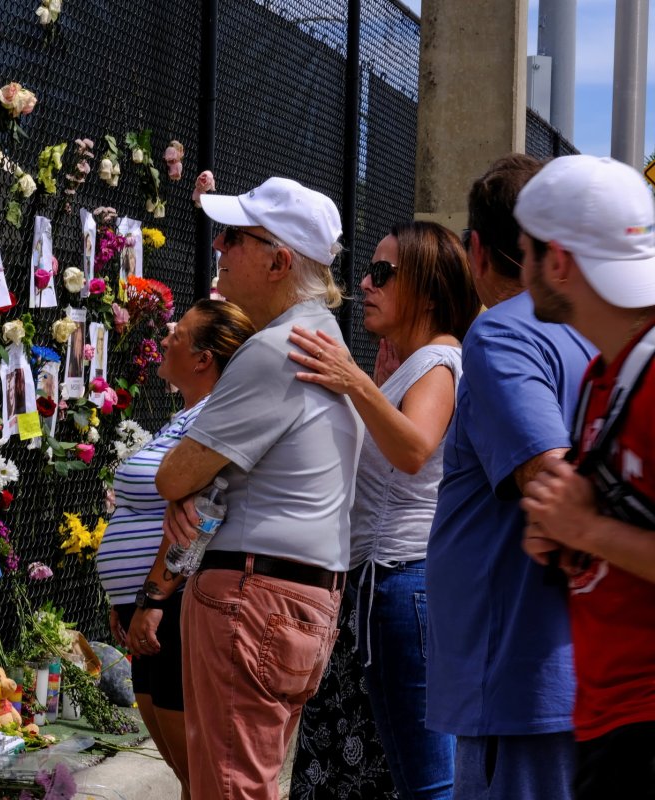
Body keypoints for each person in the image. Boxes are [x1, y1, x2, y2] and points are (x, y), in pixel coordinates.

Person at [134, 176, 364, 800]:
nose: (220, 248)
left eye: (235, 237)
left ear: (279, 260)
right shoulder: (319, 340)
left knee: (229, 789)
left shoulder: (275, 349)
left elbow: (174, 474)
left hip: (252, 597)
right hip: (296, 597)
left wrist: (187, 497)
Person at [289, 221, 480, 800]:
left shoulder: (441, 361)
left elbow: (415, 450)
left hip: (400, 585)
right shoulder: (415, 365)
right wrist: (373, 386)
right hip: (384, 588)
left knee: (424, 782)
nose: (366, 284)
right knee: (375, 774)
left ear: (425, 288)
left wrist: (355, 384)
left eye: (383, 273)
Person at [425, 153, 595, 800]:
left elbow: (551, 481)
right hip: (567, 676)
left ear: (477, 250)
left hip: (524, 684)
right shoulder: (601, 336)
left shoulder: (504, 336)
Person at [513, 155, 655, 800]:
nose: (521, 270)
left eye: (525, 252)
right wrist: (569, 539)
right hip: (612, 719)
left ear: (559, 261)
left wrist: (586, 528)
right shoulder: (607, 374)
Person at [102, 299, 254, 797]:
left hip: (171, 608)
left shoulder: (212, 420)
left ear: (203, 359)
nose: (166, 337)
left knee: (203, 775)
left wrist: (153, 599)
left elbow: (200, 520)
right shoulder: (184, 418)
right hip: (147, 608)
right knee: (188, 774)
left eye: (179, 333)